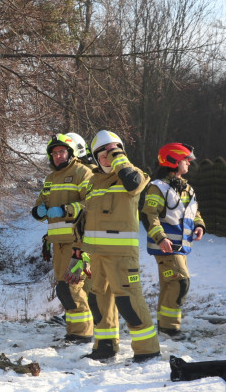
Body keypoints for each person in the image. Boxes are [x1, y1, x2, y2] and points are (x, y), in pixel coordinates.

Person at [65, 130, 161, 363]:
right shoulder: (92, 182)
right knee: (98, 303)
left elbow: (134, 184)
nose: (109, 157)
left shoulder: (132, 174)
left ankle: (147, 349)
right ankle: (105, 345)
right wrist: (78, 253)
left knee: (128, 302)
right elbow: (84, 221)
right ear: (96, 158)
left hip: (121, 256)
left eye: (114, 151)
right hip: (93, 255)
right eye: (103, 154)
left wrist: (119, 158)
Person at [31, 134, 94, 343]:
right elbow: (41, 203)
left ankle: (82, 334)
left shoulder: (82, 172)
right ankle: (74, 331)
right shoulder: (50, 178)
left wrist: (66, 209)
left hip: (77, 241)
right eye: (55, 153)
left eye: (62, 152)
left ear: (71, 153)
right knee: (64, 289)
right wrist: (38, 212)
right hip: (57, 243)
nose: (58, 156)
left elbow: (91, 205)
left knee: (72, 287)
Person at [141, 142, 205, 341]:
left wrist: (200, 225)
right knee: (180, 283)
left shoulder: (186, 187)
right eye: (186, 160)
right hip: (166, 248)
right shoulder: (158, 187)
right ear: (173, 161)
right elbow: (149, 215)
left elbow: (194, 212)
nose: (189, 164)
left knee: (170, 284)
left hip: (181, 248)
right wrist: (161, 238)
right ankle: (170, 328)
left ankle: (165, 327)